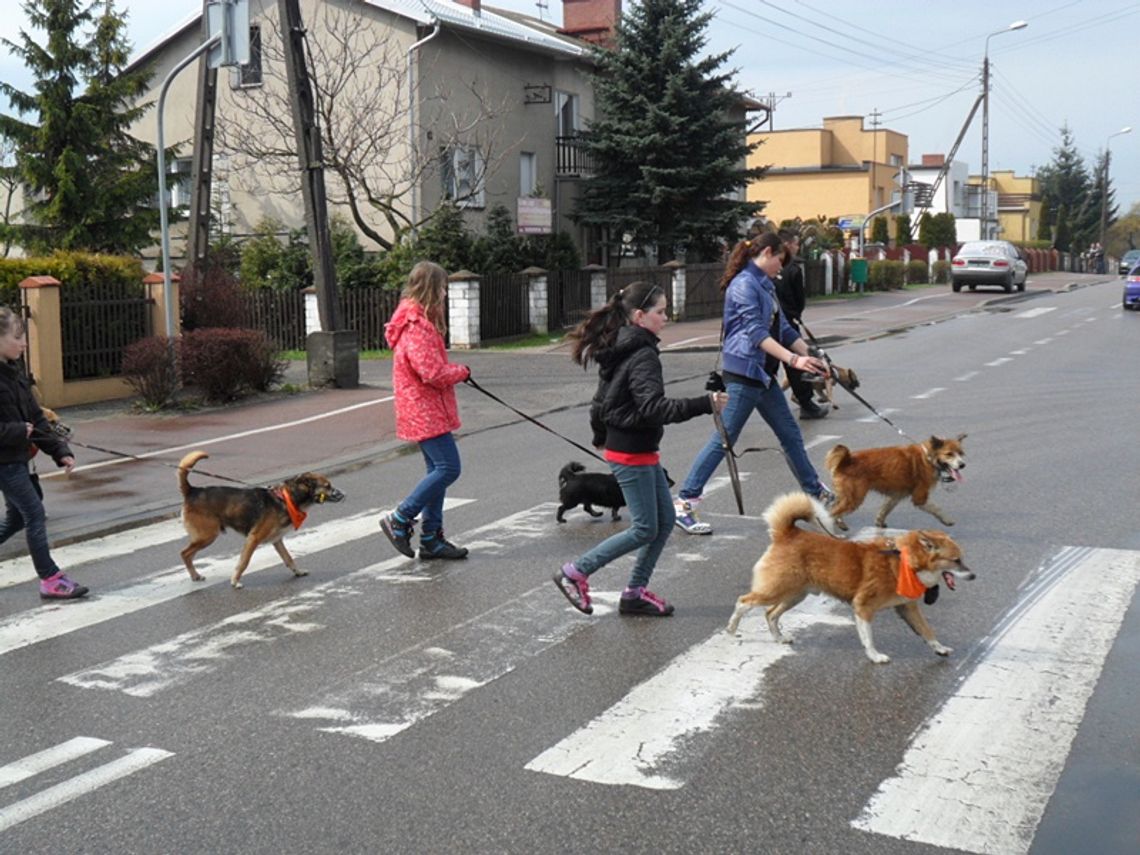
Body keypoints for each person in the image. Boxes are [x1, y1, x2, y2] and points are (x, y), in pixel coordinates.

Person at [553, 281, 727, 617]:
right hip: (631, 451)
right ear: (639, 315)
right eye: (660, 312)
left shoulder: (623, 344)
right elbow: (654, 408)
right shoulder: (642, 353)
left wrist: (600, 436)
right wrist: (705, 404)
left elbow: (601, 401)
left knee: (662, 523)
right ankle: (574, 573)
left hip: (636, 448)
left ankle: (634, 593)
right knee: (646, 527)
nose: (666, 317)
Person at [674, 232, 836, 536]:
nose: (781, 268)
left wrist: (811, 355)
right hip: (744, 373)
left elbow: (783, 328)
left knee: (789, 434)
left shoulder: (764, 283)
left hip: (762, 373)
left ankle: (816, 492)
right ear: (766, 253)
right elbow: (757, 335)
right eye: (780, 260)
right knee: (724, 439)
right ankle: (685, 502)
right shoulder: (744, 285)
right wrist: (794, 361)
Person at [379, 261, 471, 561]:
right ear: (432, 288)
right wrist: (461, 371)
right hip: (423, 407)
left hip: (424, 407)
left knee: (437, 471)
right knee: (448, 468)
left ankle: (431, 538)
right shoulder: (416, 326)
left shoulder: (417, 320)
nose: (445, 293)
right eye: (443, 287)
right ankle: (401, 518)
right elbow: (431, 372)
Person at [0, 306, 88, 599]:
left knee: (16, 518)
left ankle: (50, 578)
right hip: (5, 462)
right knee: (35, 514)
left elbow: (38, 419)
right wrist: (15, 431)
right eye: (17, 337)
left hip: (19, 459)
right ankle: (50, 578)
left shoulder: (14, 375)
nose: (24, 344)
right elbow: (17, 427)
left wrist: (59, 451)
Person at [774, 229, 828, 420]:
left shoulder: (762, 272)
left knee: (766, 368)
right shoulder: (793, 269)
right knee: (796, 369)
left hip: (775, 325)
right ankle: (807, 404)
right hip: (787, 323)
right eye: (796, 244)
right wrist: (795, 314)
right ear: (788, 245)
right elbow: (799, 300)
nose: (797, 247)